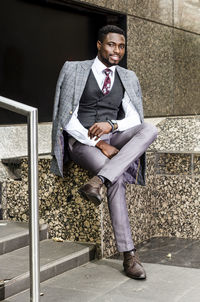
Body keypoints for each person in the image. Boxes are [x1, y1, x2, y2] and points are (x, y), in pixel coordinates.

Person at [51, 25, 157, 280]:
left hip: (113, 133)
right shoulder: (74, 70)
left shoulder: (127, 76)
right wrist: (100, 143)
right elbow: (66, 118)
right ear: (99, 45)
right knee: (117, 178)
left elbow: (133, 117)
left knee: (149, 129)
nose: (116, 51)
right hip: (83, 142)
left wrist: (112, 126)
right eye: (111, 45)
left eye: (121, 46)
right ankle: (129, 255)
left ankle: (98, 181)